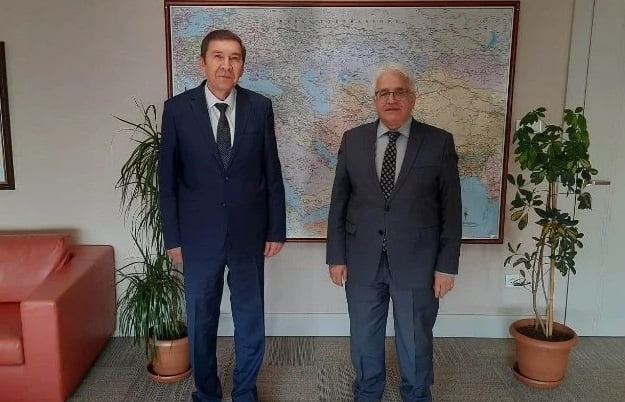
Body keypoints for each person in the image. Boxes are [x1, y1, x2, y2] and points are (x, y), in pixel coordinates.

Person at [159, 29, 286, 402]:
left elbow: (271, 171)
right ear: (202, 63)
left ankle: (245, 392)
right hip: (198, 238)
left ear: (242, 66)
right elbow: (167, 180)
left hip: (249, 234)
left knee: (250, 319)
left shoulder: (260, 107)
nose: (226, 65)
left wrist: (276, 229)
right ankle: (207, 393)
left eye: (234, 58)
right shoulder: (177, 110)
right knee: (201, 320)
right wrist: (173, 237)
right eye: (218, 56)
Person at [326, 63, 462, 402]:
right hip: (362, 259)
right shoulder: (353, 140)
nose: (391, 99)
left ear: (412, 98)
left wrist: (446, 266)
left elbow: (451, 211)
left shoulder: (439, 143)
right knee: (364, 338)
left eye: (399, 92)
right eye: (384, 93)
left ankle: (416, 395)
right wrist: (336, 257)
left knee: (415, 340)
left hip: (417, 263)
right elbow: (339, 203)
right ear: (375, 100)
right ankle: (367, 393)